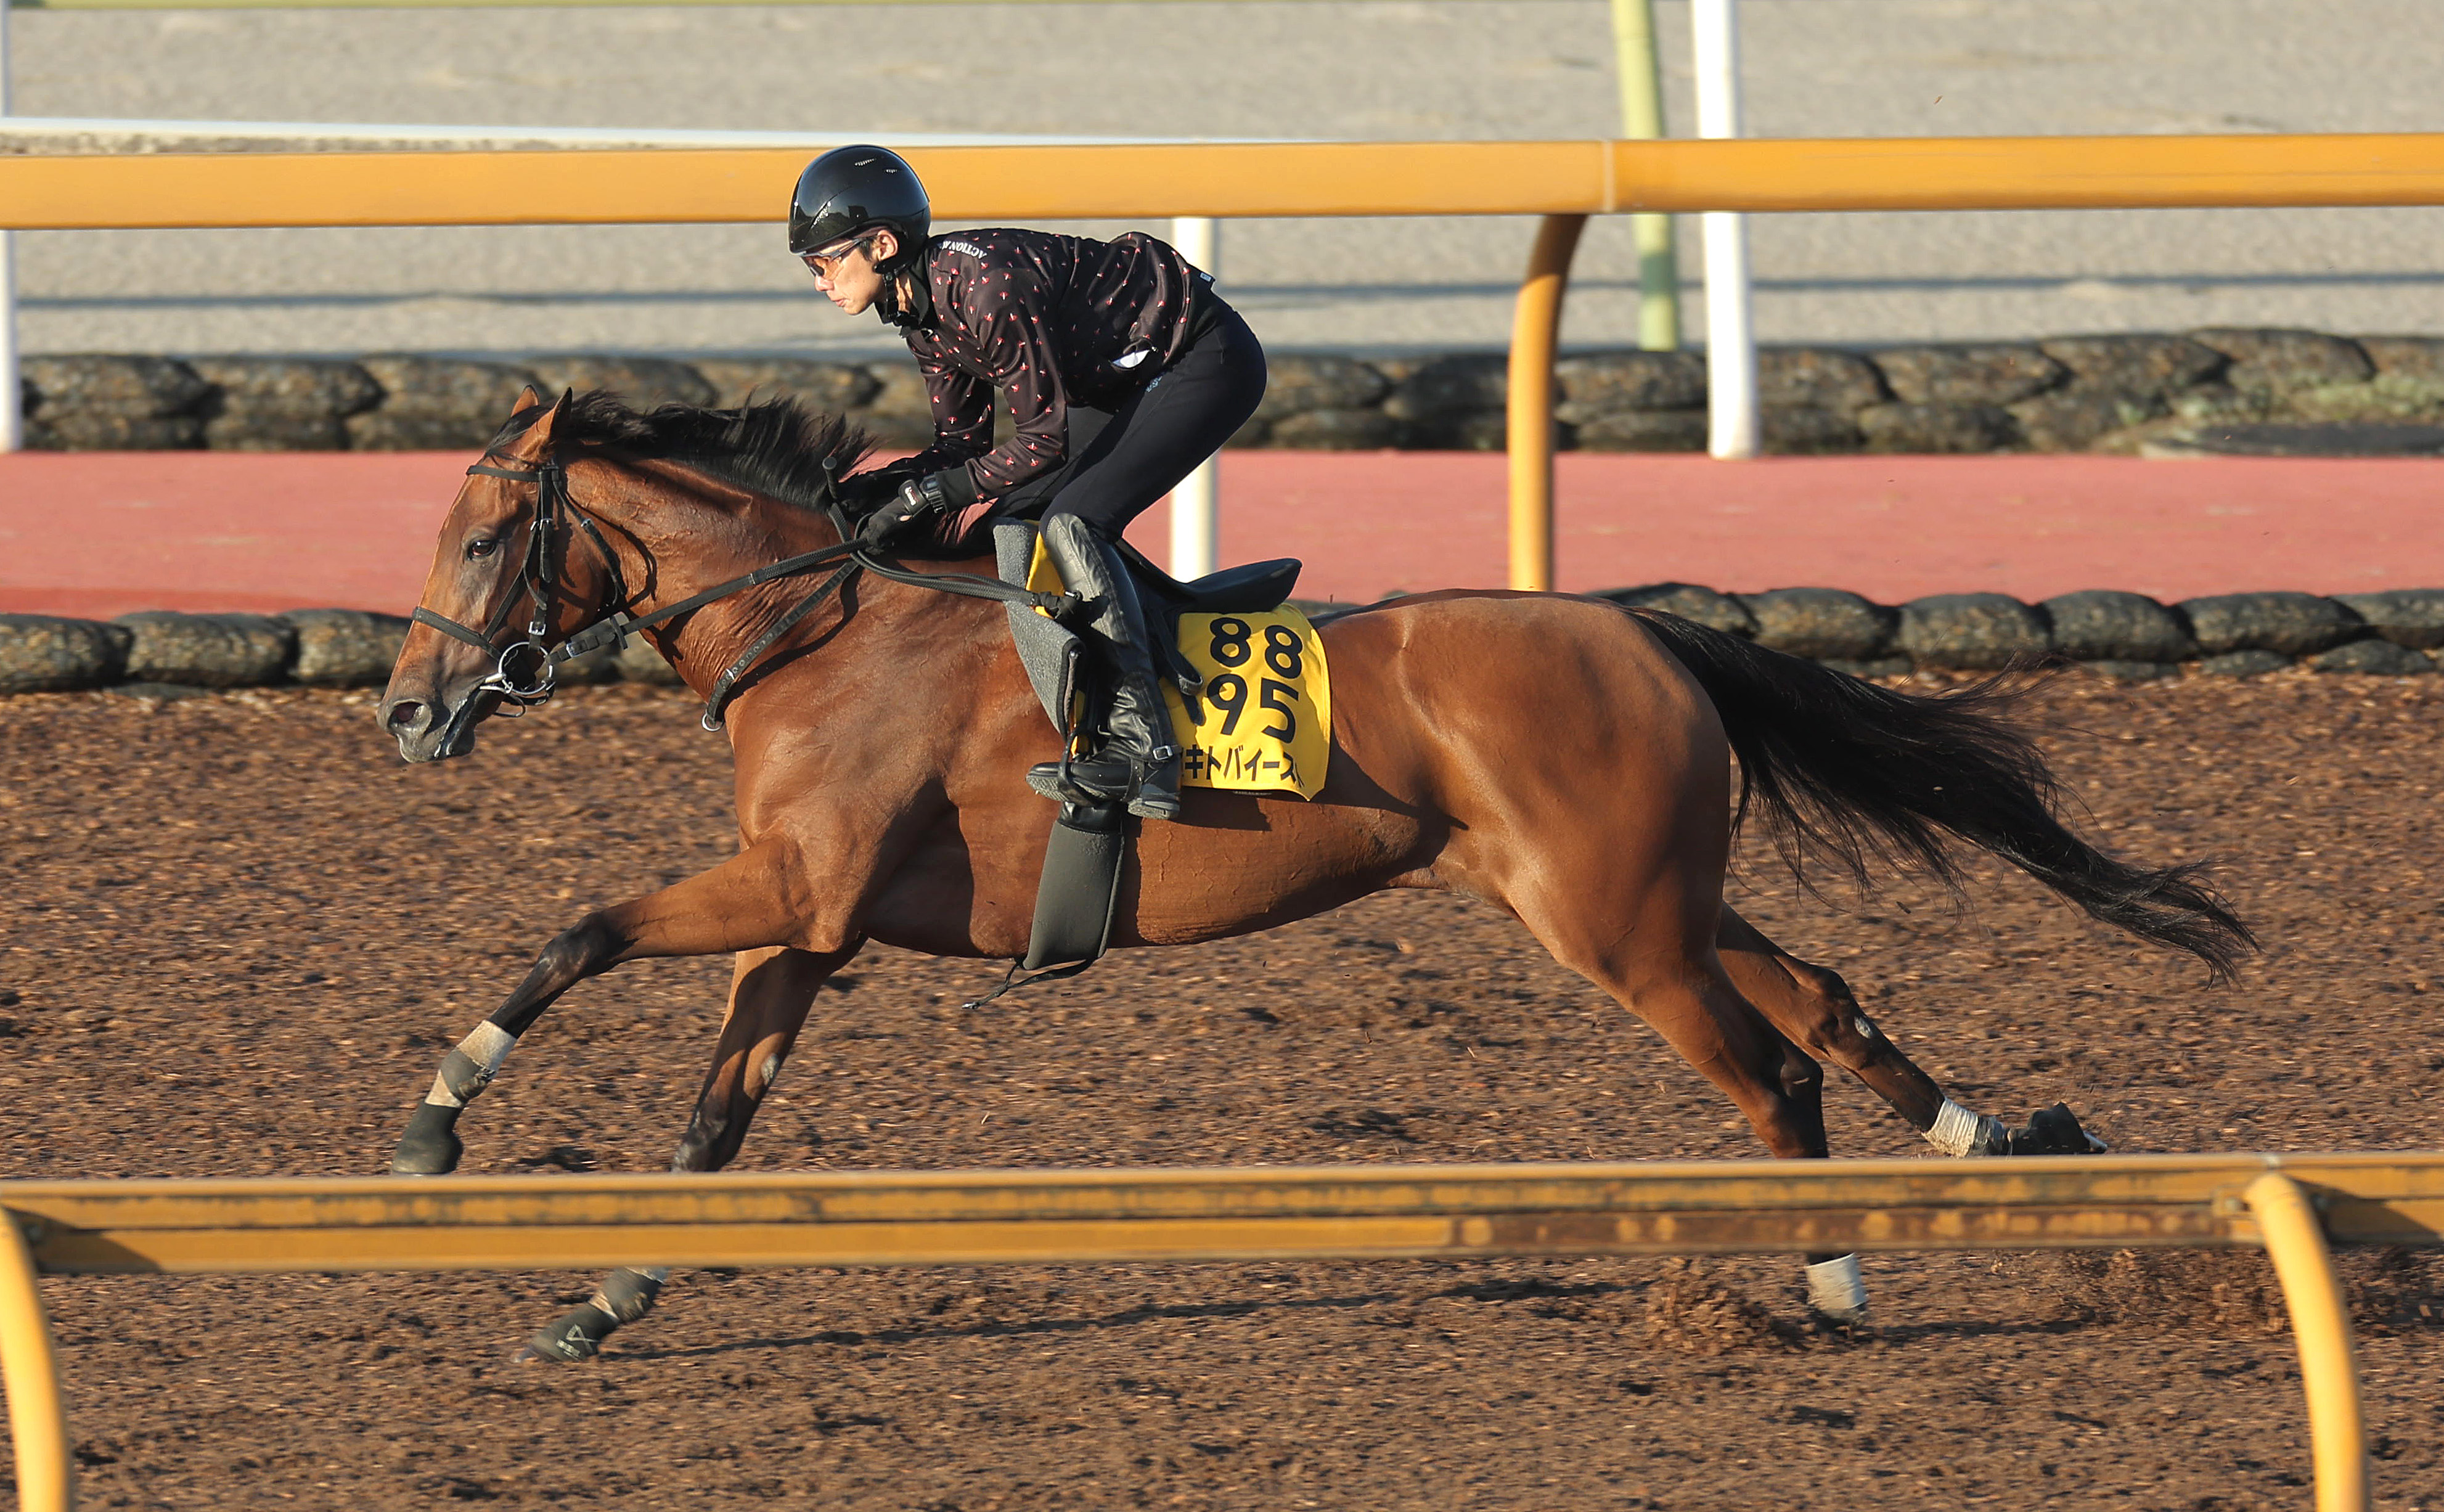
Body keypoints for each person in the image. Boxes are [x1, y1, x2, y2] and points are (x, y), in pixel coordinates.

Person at [787, 144, 1268, 823]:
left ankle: (1146, 746)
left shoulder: (985, 289)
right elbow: (962, 446)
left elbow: (1043, 440)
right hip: (1122, 377)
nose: (819, 283)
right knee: (1007, 524)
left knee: (1075, 522)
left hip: (1202, 359)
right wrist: (880, 488)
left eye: (825, 263)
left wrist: (928, 496)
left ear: (883, 245)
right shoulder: (918, 311)